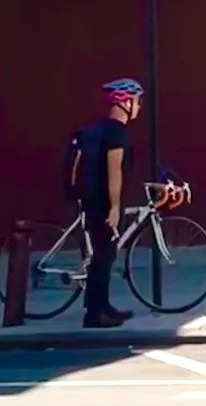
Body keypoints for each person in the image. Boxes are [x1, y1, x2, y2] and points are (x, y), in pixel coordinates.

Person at [71, 78, 143, 328]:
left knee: (105, 256)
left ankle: (104, 306)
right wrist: (114, 207)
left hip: (94, 202)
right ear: (124, 102)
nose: (139, 106)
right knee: (103, 257)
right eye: (137, 100)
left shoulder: (101, 128)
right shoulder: (117, 132)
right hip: (104, 204)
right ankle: (94, 314)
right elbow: (114, 170)